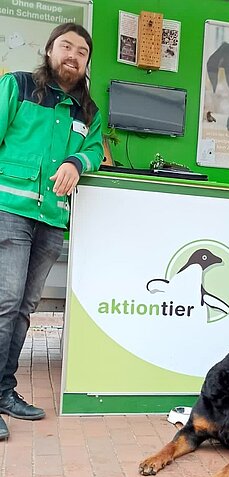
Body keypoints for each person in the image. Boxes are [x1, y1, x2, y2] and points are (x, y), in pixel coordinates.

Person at [0, 23, 104, 440]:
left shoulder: (88, 111)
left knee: (25, 307)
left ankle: (4, 392)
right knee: (5, 303)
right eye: (66, 46)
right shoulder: (18, 86)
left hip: (51, 218)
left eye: (81, 51)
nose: (73, 56)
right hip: (9, 207)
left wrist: (77, 161)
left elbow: (96, 149)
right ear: (49, 50)